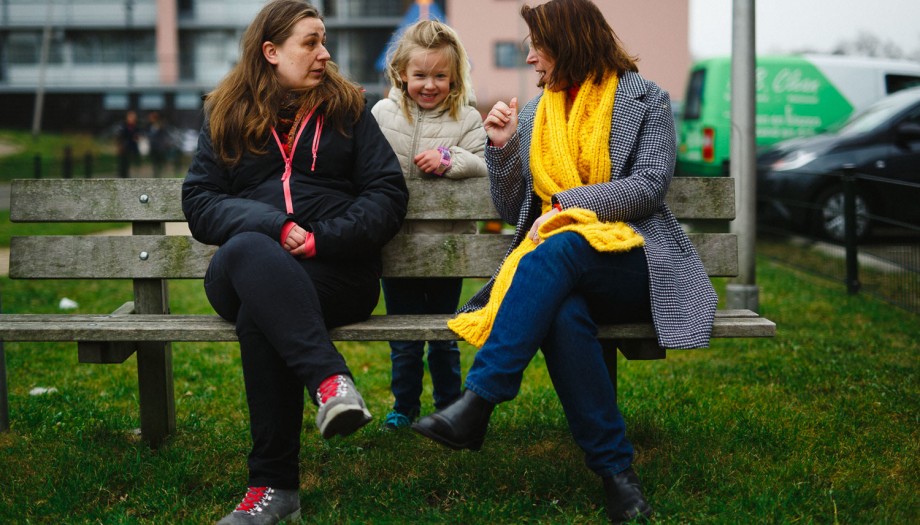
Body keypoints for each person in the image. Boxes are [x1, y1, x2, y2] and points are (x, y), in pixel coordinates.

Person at [411, 0, 718, 523]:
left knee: (564, 244)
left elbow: (647, 187)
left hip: (635, 260)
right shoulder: (535, 113)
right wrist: (503, 148)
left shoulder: (645, 100)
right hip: (563, 271)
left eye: (538, 46)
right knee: (563, 311)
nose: (530, 58)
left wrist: (566, 208)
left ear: (569, 42)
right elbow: (514, 210)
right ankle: (618, 475)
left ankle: (480, 400)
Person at [181, 1, 408, 524]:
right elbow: (201, 202)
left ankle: (274, 489)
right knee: (247, 247)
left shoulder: (350, 109)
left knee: (261, 313)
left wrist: (322, 239)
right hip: (243, 269)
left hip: (337, 273)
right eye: (311, 43)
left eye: (324, 41)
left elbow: (386, 194)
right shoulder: (225, 113)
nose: (324, 53)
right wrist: (275, 227)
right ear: (271, 52)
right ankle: (331, 382)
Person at [371, 19, 487, 430]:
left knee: (443, 334)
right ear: (402, 73)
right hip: (398, 248)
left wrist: (449, 159)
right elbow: (367, 166)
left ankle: (448, 405)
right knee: (404, 336)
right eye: (420, 75)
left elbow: (482, 164)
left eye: (440, 75)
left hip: (447, 248)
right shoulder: (383, 114)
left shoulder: (466, 117)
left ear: (454, 76)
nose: (430, 84)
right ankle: (404, 406)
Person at [145, 111, 172, 178]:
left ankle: (160, 174)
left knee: (160, 162)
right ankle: (156, 174)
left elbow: (165, 135)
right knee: (155, 162)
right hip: (153, 146)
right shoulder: (149, 126)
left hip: (160, 147)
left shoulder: (161, 125)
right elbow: (148, 135)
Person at [115, 110, 140, 178]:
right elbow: (119, 137)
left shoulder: (136, 127)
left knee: (131, 166)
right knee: (123, 167)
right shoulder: (122, 126)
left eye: (134, 117)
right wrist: (120, 146)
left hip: (132, 150)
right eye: (131, 117)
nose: (133, 119)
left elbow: (137, 137)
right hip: (124, 149)